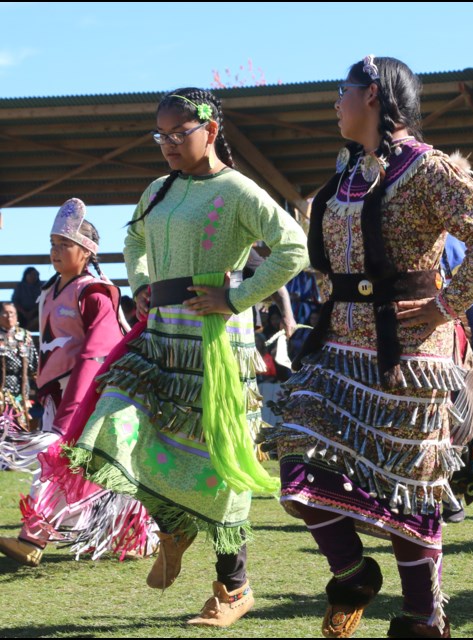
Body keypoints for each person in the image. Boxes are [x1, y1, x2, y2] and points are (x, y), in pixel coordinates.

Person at [271, 56, 473, 638]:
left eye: (343, 92)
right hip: (338, 351)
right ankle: (354, 573)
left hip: (411, 355)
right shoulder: (348, 173)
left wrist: (446, 306)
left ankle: (422, 618)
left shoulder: (426, 169)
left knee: (409, 493)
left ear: (373, 95)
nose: (336, 102)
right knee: (297, 463)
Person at [65, 89, 308, 627]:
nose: (169, 145)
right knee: (118, 418)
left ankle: (233, 587)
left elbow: (293, 247)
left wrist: (238, 296)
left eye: (179, 134)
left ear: (211, 131)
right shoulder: (157, 190)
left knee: (220, 461)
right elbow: (133, 242)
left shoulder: (239, 191)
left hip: (216, 341)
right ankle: (174, 524)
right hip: (160, 335)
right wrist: (144, 283)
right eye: (161, 136)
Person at [0, 200, 155, 567]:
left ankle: (33, 537)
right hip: (61, 394)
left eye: (63, 244)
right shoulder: (49, 291)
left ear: (86, 252)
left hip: (97, 394)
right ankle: (132, 534)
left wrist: (74, 405)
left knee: (67, 460)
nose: (55, 251)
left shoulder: (95, 292)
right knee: (99, 465)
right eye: (52, 243)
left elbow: (96, 353)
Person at [0, 301, 37, 433]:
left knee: (20, 426)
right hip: (1, 390)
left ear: (16, 316)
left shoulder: (25, 336)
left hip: (22, 389)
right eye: (5, 313)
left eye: (12, 313)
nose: (9, 316)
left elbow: (34, 366)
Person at [12, 266, 42, 332]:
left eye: (36, 275)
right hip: (21, 312)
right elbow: (15, 301)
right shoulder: (20, 286)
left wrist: (32, 312)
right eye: (31, 274)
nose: (33, 276)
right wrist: (24, 312)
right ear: (26, 275)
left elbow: (43, 301)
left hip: (37, 311)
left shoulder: (42, 287)